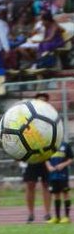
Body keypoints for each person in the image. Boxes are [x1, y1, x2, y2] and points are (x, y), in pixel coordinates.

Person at [22, 92, 52, 223]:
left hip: (47, 155)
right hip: (33, 156)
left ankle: (47, 213)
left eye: (45, 101)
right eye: (40, 101)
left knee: (46, 184)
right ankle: (30, 214)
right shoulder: (29, 119)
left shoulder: (52, 119)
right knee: (30, 184)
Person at [45, 141, 73, 224]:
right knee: (56, 195)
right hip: (53, 176)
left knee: (65, 194)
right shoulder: (49, 145)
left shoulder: (66, 145)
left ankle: (67, 217)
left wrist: (63, 165)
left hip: (63, 175)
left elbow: (71, 159)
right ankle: (57, 217)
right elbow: (46, 159)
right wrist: (49, 167)